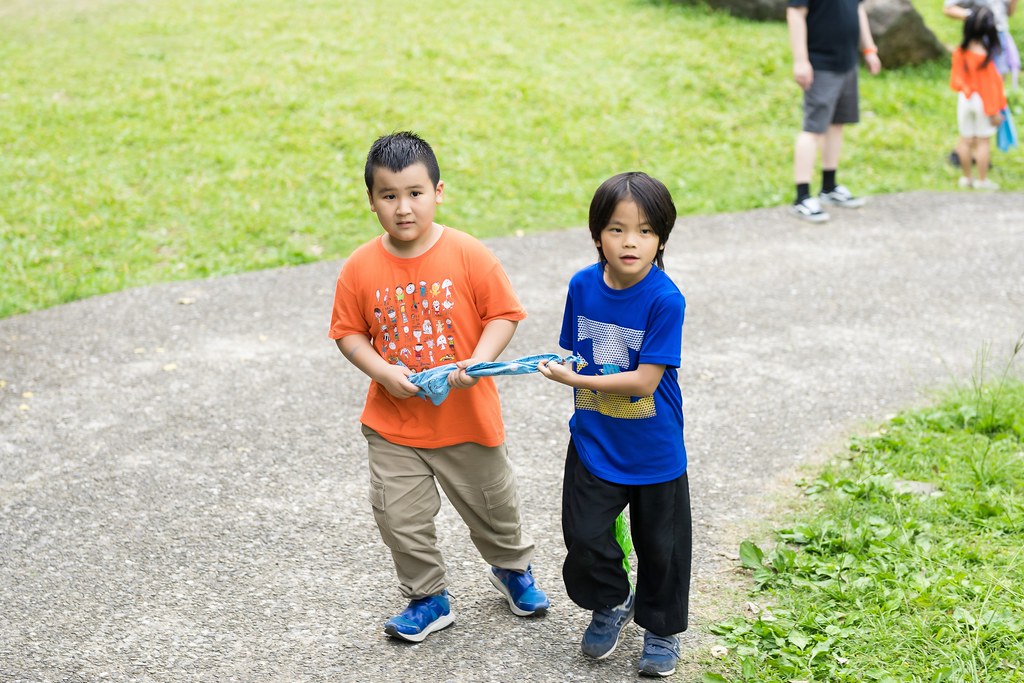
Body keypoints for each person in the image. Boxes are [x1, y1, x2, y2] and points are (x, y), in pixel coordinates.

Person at [329, 131, 550, 643]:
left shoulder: (468, 254)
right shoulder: (360, 267)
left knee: (495, 507)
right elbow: (348, 333)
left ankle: (512, 569)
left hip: (467, 419)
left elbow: (504, 313)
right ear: (371, 201)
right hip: (395, 425)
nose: (403, 208)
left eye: (415, 193)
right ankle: (427, 597)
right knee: (398, 517)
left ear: (438, 192)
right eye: (389, 196)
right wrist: (384, 373)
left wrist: (479, 359)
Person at [538, 172, 691, 678]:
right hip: (594, 439)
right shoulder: (582, 285)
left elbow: (646, 382)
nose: (631, 242)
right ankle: (613, 600)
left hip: (654, 451)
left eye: (646, 231)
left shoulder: (666, 300)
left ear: (661, 238)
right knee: (583, 535)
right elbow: (576, 351)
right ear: (597, 234)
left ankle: (661, 630)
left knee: (662, 549)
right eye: (618, 229)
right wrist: (563, 371)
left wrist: (572, 380)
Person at [787, 0, 882, 223]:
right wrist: (800, 61)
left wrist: (868, 49)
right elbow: (795, 13)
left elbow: (857, 9)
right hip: (820, 64)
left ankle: (829, 187)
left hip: (847, 62)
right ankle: (802, 196)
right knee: (813, 129)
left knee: (837, 124)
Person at [951, 7, 1009, 189]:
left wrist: (967, 89)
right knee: (983, 141)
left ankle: (966, 178)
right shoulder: (986, 59)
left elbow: (955, 81)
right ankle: (982, 181)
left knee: (966, 139)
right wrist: (995, 112)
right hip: (983, 102)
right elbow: (991, 89)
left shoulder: (960, 52)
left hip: (964, 99)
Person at [944, 0, 1019, 90]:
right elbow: (949, 8)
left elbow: (1009, 12)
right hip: (980, 36)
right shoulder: (970, 53)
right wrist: (975, 17)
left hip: (1000, 35)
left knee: (999, 76)